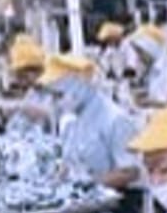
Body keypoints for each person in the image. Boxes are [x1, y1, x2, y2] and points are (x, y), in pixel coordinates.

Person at [38, 54, 139, 191]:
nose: (55, 103)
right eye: (52, 96)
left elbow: (130, 172)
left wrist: (89, 184)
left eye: (59, 95)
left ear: (79, 87)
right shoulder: (72, 119)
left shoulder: (115, 119)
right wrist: (55, 182)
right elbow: (70, 162)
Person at [126, 24, 167, 107]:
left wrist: (148, 103)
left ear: (151, 48)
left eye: (141, 52)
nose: (139, 57)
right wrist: (143, 94)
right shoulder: (154, 66)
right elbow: (157, 93)